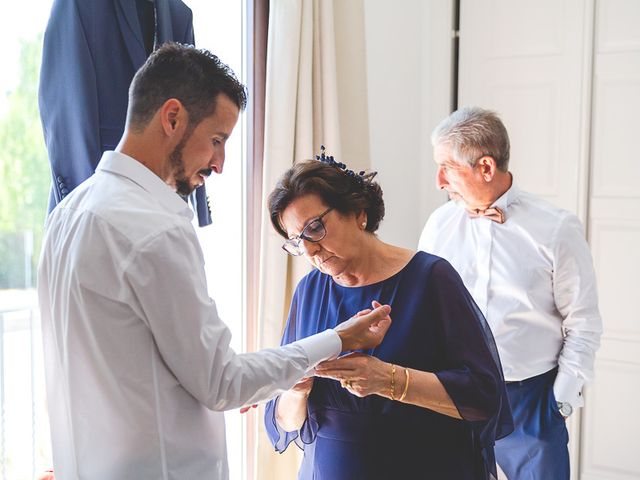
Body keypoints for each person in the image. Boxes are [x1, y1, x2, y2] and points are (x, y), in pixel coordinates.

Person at [37, 43, 393, 480]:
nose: (220, 164)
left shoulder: (65, 215)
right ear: (172, 118)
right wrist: (338, 338)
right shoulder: (155, 227)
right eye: (217, 140)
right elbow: (223, 383)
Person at [263, 148, 513, 480]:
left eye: (314, 228)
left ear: (358, 212)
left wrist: (390, 380)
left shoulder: (431, 279)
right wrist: (297, 390)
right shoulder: (309, 291)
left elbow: (483, 397)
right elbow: (285, 421)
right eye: (296, 240)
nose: (308, 249)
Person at [419, 106, 603, 479]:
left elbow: (583, 323)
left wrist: (560, 402)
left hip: (530, 399)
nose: (439, 180)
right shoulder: (439, 225)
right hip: (455, 390)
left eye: (448, 167)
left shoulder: (556, 229)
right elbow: (425, 308)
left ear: (485, 167)